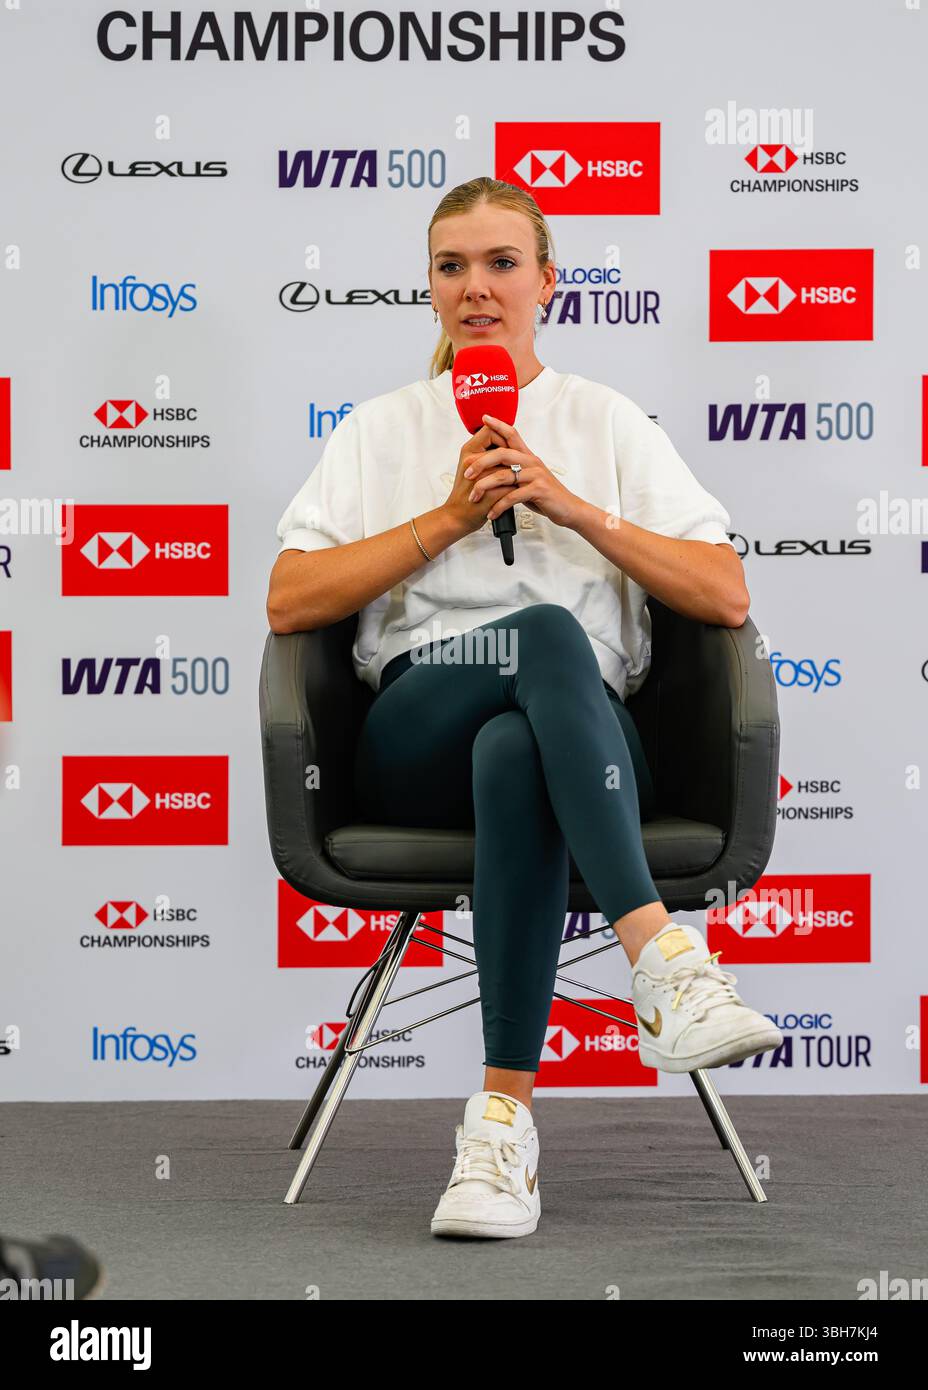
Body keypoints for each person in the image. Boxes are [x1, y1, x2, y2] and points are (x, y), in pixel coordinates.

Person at [267, 176, 783, 1241]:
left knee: (520, 746)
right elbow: (290, 599)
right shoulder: (378, 430)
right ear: (430, 289)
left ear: (546, 281)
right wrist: (451, 518)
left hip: (587, 737)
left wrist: (565, 504)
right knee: (540, 633)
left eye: (502, 263)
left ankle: (499, 1131)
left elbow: (724, 592)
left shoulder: (604, 421)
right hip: (413, 734)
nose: (477, 288)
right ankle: (663, 958)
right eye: (453, 266)